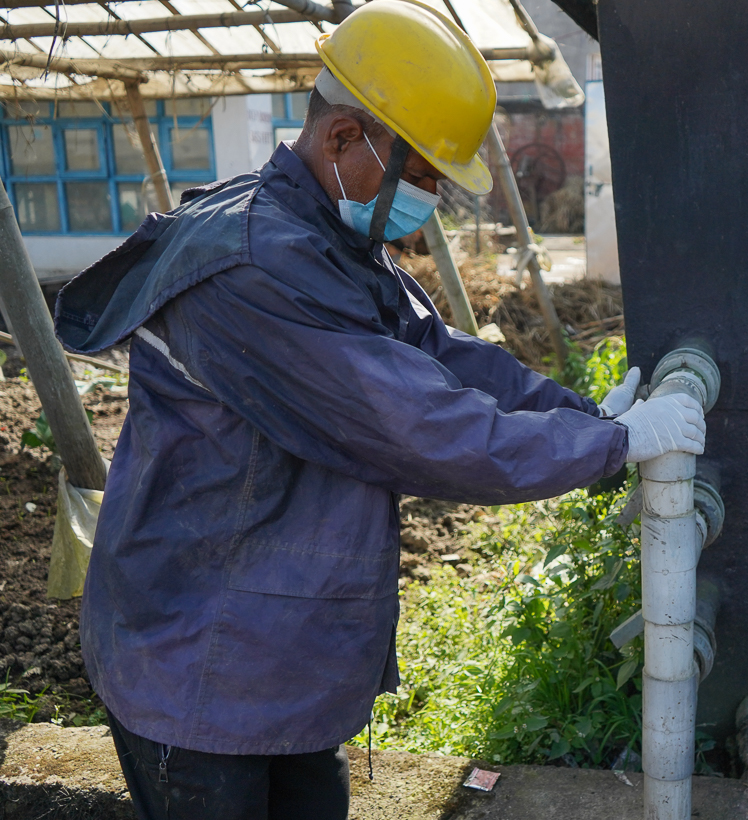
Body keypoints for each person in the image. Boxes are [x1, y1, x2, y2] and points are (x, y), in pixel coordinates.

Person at [53, 2, 705, 817]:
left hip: (269, 660)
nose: (429, 198)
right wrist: (606, 449)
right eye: (425, 174)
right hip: (200, 667)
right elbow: (411, 422)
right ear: (343, 139)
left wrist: (585, 416)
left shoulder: (323, 235)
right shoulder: (253, 269)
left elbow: (440, 356)